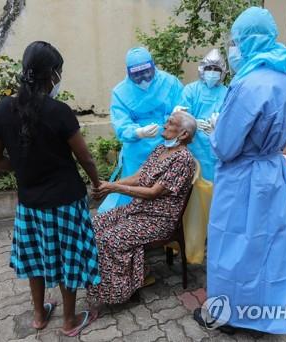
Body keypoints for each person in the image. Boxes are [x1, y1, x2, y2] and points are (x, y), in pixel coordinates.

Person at [194, 7, 286, 334]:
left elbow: (226, 146)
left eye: (236, 41)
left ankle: (230, 315)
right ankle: (264, 315)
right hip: (273, 170)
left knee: (233, 247)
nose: (233, 48)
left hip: (243, 176)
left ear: (248, 40)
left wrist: (215, 128)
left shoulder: (248, 83)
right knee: (267, 245)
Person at [0, 41, 101, 336]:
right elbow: (84, 156)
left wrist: (21, 165)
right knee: (68, 258)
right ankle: (69, 321)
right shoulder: (59, 111)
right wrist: (97, 182)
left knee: (36, 257)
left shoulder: (2, 110)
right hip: (66, 200)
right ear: (51, 74)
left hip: (29, 204)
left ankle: (38, 316)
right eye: (58, 72)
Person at [88, 111, 196, 305]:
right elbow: (139, 177)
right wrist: (108, 186)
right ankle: (137, 274)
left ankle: (121, 289)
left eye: (170, 123)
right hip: (137, 210)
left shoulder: (183, 159)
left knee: (110, 238)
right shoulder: (161, 149)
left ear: (184, 135)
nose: (164, 125)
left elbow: (154, 192)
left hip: (158, 219)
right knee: (94, 225)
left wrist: (113, 187)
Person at [98, 47, 184, 213]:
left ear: (153, 66)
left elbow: (182, 107)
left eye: (146, 72)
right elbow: (121, 123)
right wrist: (138, 132)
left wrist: (179, 113)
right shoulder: (120, 92)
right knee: (135, 188)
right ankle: (132, 221)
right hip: (137, 149)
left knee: (165, 189)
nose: (143, 78)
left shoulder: (170, 82)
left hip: (168, 143)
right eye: (136, 75)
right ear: (128, 73)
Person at [177, 48, 228, 181]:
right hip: (193, 143)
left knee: (211, 185)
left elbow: (231, 120)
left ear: (222, 72)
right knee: (190, 183)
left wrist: (217, 127)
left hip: (215, 147)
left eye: (216, 69)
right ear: (202, 69)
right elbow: (181, 116)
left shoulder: (227, 93)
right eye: (209, 68)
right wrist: (193, 122)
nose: (212, 72)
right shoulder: (191, 89)